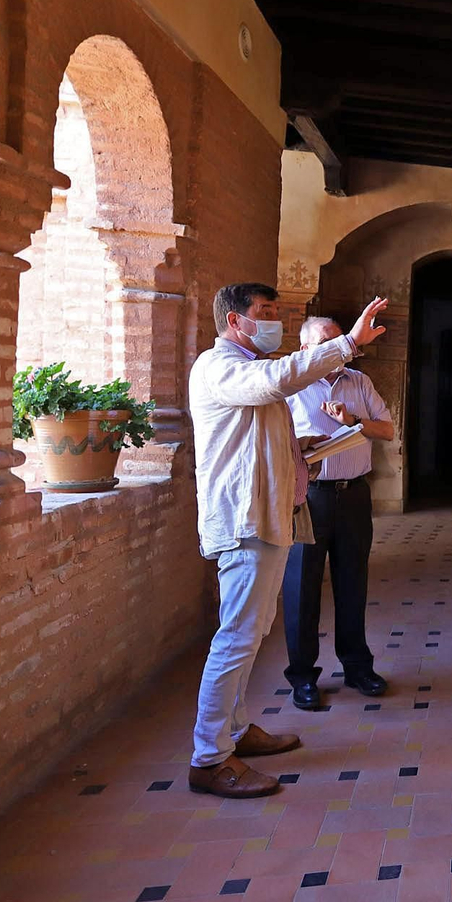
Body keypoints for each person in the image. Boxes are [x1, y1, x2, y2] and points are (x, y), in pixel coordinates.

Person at [187, 284, 389, 798]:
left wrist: (298, 445)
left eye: (277, 312)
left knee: (250, 633)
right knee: (236, 636)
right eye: (265, 313)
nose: (273, 321)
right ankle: (209, 758)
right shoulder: (221, 367)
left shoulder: (250, 371)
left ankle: (235, 731)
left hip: (268, 515)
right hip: (244, 519)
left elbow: (258, 434)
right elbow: (275, 381)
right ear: (236, 322)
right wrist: (346, 344)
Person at [282, 316, 396, 709]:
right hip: (308, 496)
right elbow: (274, 442)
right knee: (302, 586)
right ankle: (302, 678)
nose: (334, 350)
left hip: (354, 496)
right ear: (304, 350)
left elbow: (387, 430)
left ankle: (357, 667)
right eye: (324, 343)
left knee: (353, 582)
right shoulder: (290, 389)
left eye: (338, 342)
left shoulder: (359, 383)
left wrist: (352, 421)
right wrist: (302, 444)